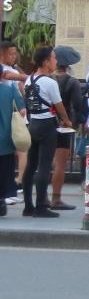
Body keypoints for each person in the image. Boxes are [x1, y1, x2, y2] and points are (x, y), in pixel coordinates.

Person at [21, 46, 72, 218]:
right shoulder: (50, 83)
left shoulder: (29, 80)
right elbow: (59, 105)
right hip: (47, 124)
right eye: (54, 58)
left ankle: (28, 206)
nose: (56, 61)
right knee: (44, 165)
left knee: (31, 166)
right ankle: (41, 206)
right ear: (45, 62)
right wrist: (66, 120)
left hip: (32, 124)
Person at [50, 46, 84, 210]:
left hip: (46, 124)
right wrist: (75, 123)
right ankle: (56, 198)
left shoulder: (46, 79)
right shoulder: (72, 82)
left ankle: (41, 198)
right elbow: (78, 106)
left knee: (44, 163)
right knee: (60, 165)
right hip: (64, 125)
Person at [0, 75, 23, 216]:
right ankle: (1, 202)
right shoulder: (10, 89)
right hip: (6, 138)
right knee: (5, 171)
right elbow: (22, 110)